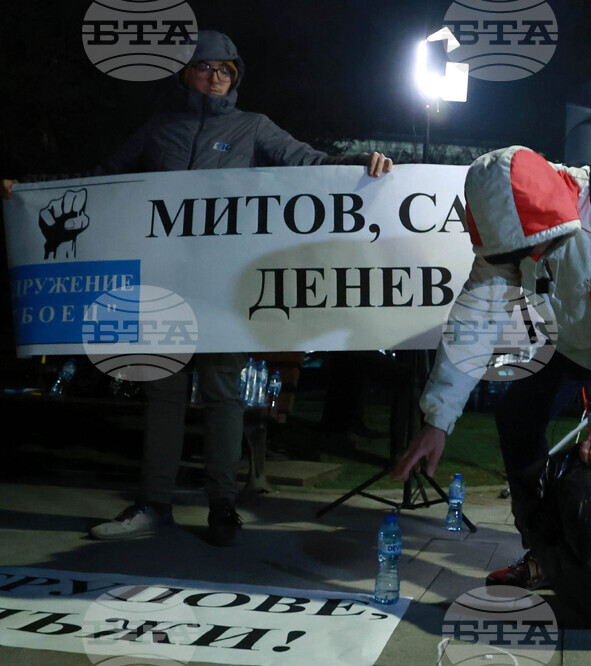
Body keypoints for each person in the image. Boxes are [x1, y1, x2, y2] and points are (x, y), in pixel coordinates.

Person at [3, 30, 393, 546]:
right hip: (164, 285)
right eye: (204, 67)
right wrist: (29, 191)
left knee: (223, 394)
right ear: (184, 73)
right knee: (162, 392)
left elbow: (309, 162)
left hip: (222, 287)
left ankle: (222, 505)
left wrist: (364, 161)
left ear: (236, 78)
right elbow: (100, 180)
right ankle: (153, 504)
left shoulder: (253, 127)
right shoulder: (159, 128)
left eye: (225, 70)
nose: (214, 77)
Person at [392, 145, 591, 589]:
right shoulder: (504, 246)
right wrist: (438, 420)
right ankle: (545, 551)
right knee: (517, 415)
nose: (530, 257)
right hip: (579, 337)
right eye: (517, 250)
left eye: (538, 240)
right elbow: (475, 323)